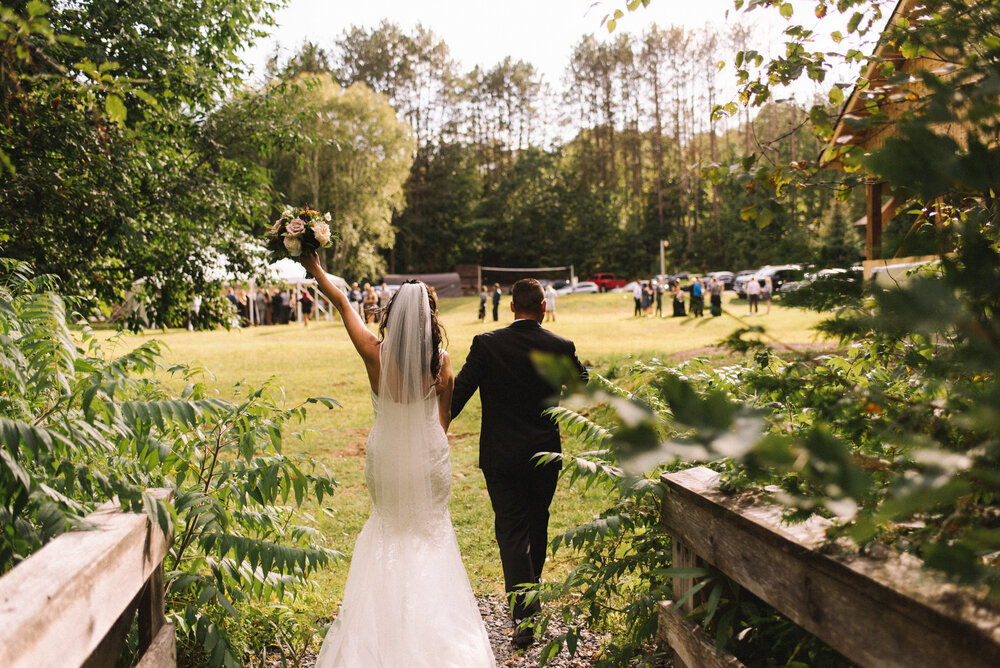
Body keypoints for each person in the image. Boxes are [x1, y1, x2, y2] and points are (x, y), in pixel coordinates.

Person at [299, 253, 497, 668]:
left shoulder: (375, 351)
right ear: (429, 318)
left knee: (388, 530)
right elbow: (441, 424)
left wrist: (315, 267)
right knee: (428, 534)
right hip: (428, 455)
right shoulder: (441, 363)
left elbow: (343, 304)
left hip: (386, 455)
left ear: (395, 316)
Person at [451, 279, 588, 649]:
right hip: (545, 454)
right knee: (537, 524)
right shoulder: (560, 346)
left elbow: (457, 394)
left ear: (511, 308)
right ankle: (530, 602)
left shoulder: (487, 345)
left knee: (512, 532)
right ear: (543, 308)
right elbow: (581, 385)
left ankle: (525, 616)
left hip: (501, 455)